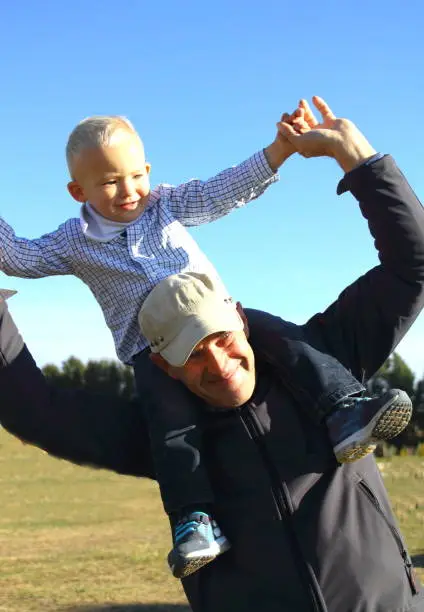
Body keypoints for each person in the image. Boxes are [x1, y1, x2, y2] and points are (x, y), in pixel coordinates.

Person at [1, 96, 423, 611]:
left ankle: (343, 408)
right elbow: (21, 269)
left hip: (386, 600)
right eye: (109, 183)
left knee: (279, 336)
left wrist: (297, 152)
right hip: (144, 346)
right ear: (78, 191)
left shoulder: (313, 350)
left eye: (134, 176)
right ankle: (194, 518)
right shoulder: (159, 415)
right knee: (173, 421)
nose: (219, 365)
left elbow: (221, 191)